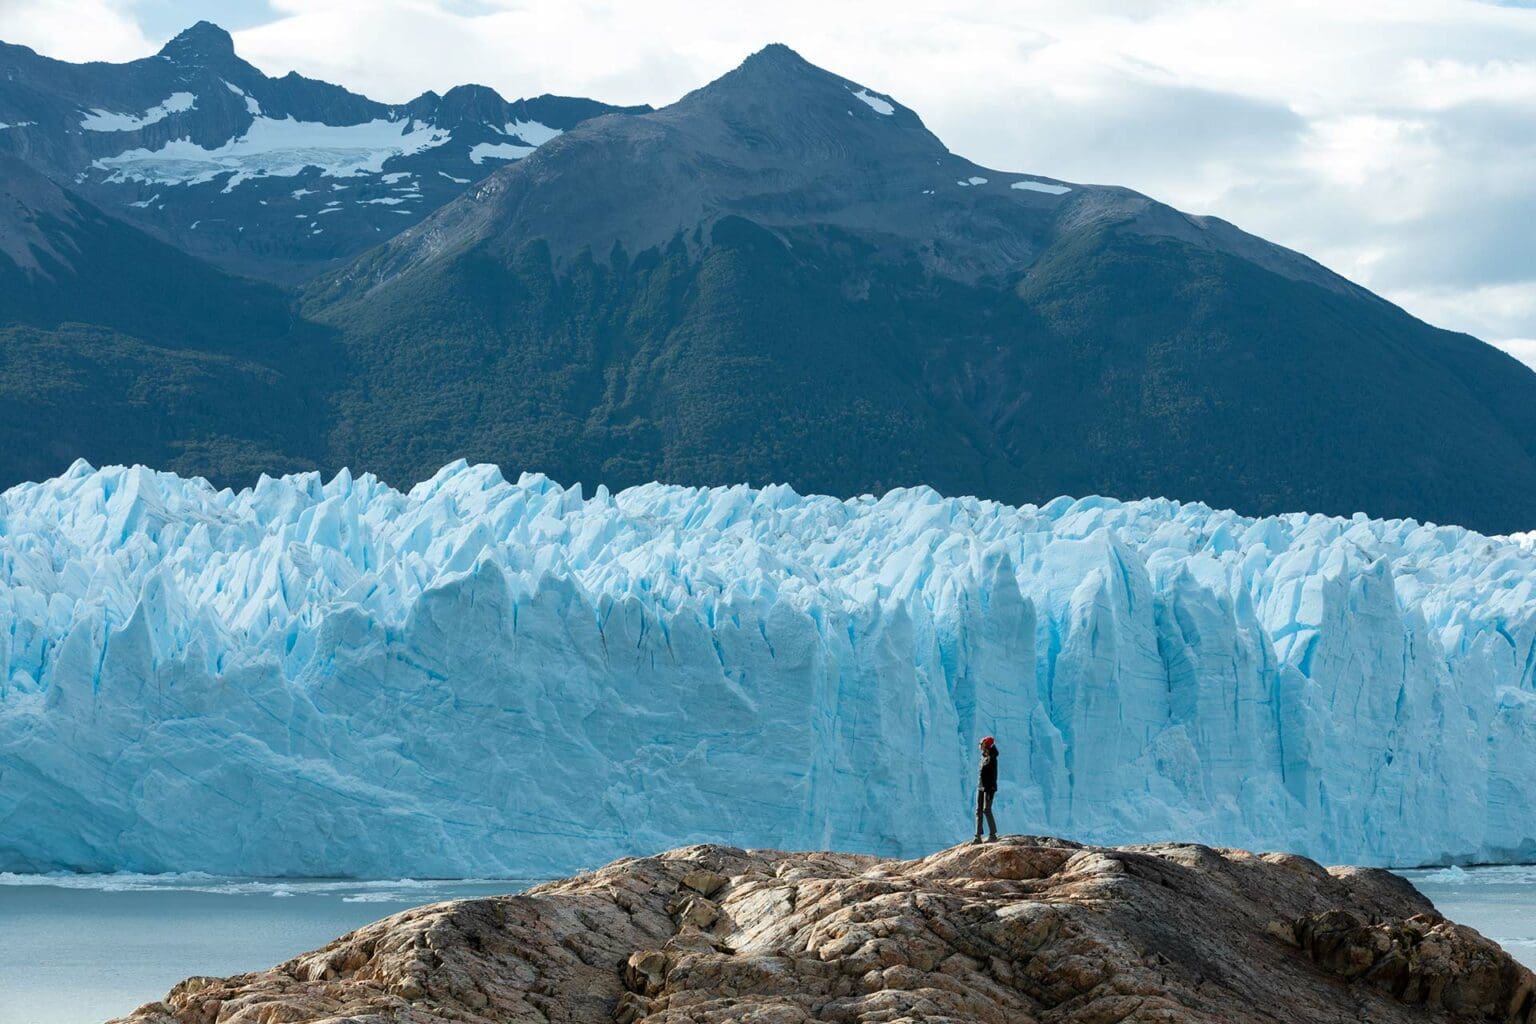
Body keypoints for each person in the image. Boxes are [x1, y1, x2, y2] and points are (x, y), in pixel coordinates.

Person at [973, 735, 999, 844]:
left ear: (987, 746)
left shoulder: (992, 758)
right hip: (981, 787)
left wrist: (991, 790)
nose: (981, 747)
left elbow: (993, 776)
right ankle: (977, 836)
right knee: (978, 810)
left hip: (988, 788)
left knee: (986, 810)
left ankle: (993, 835)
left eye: (982, 745)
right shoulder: (984, 756)